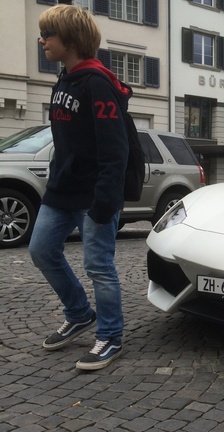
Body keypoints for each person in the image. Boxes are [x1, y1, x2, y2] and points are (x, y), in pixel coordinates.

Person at [29, 5, 132, 371]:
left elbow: (115, 148)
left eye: (49, 34)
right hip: (61, 190)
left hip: (94, 195)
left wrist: (106, 201)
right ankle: (79, 314)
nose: (42, 40)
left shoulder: (97, 82)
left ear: (70, 40)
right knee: (41, 251)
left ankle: (110, 336)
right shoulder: (65, 79)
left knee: (99, 266)